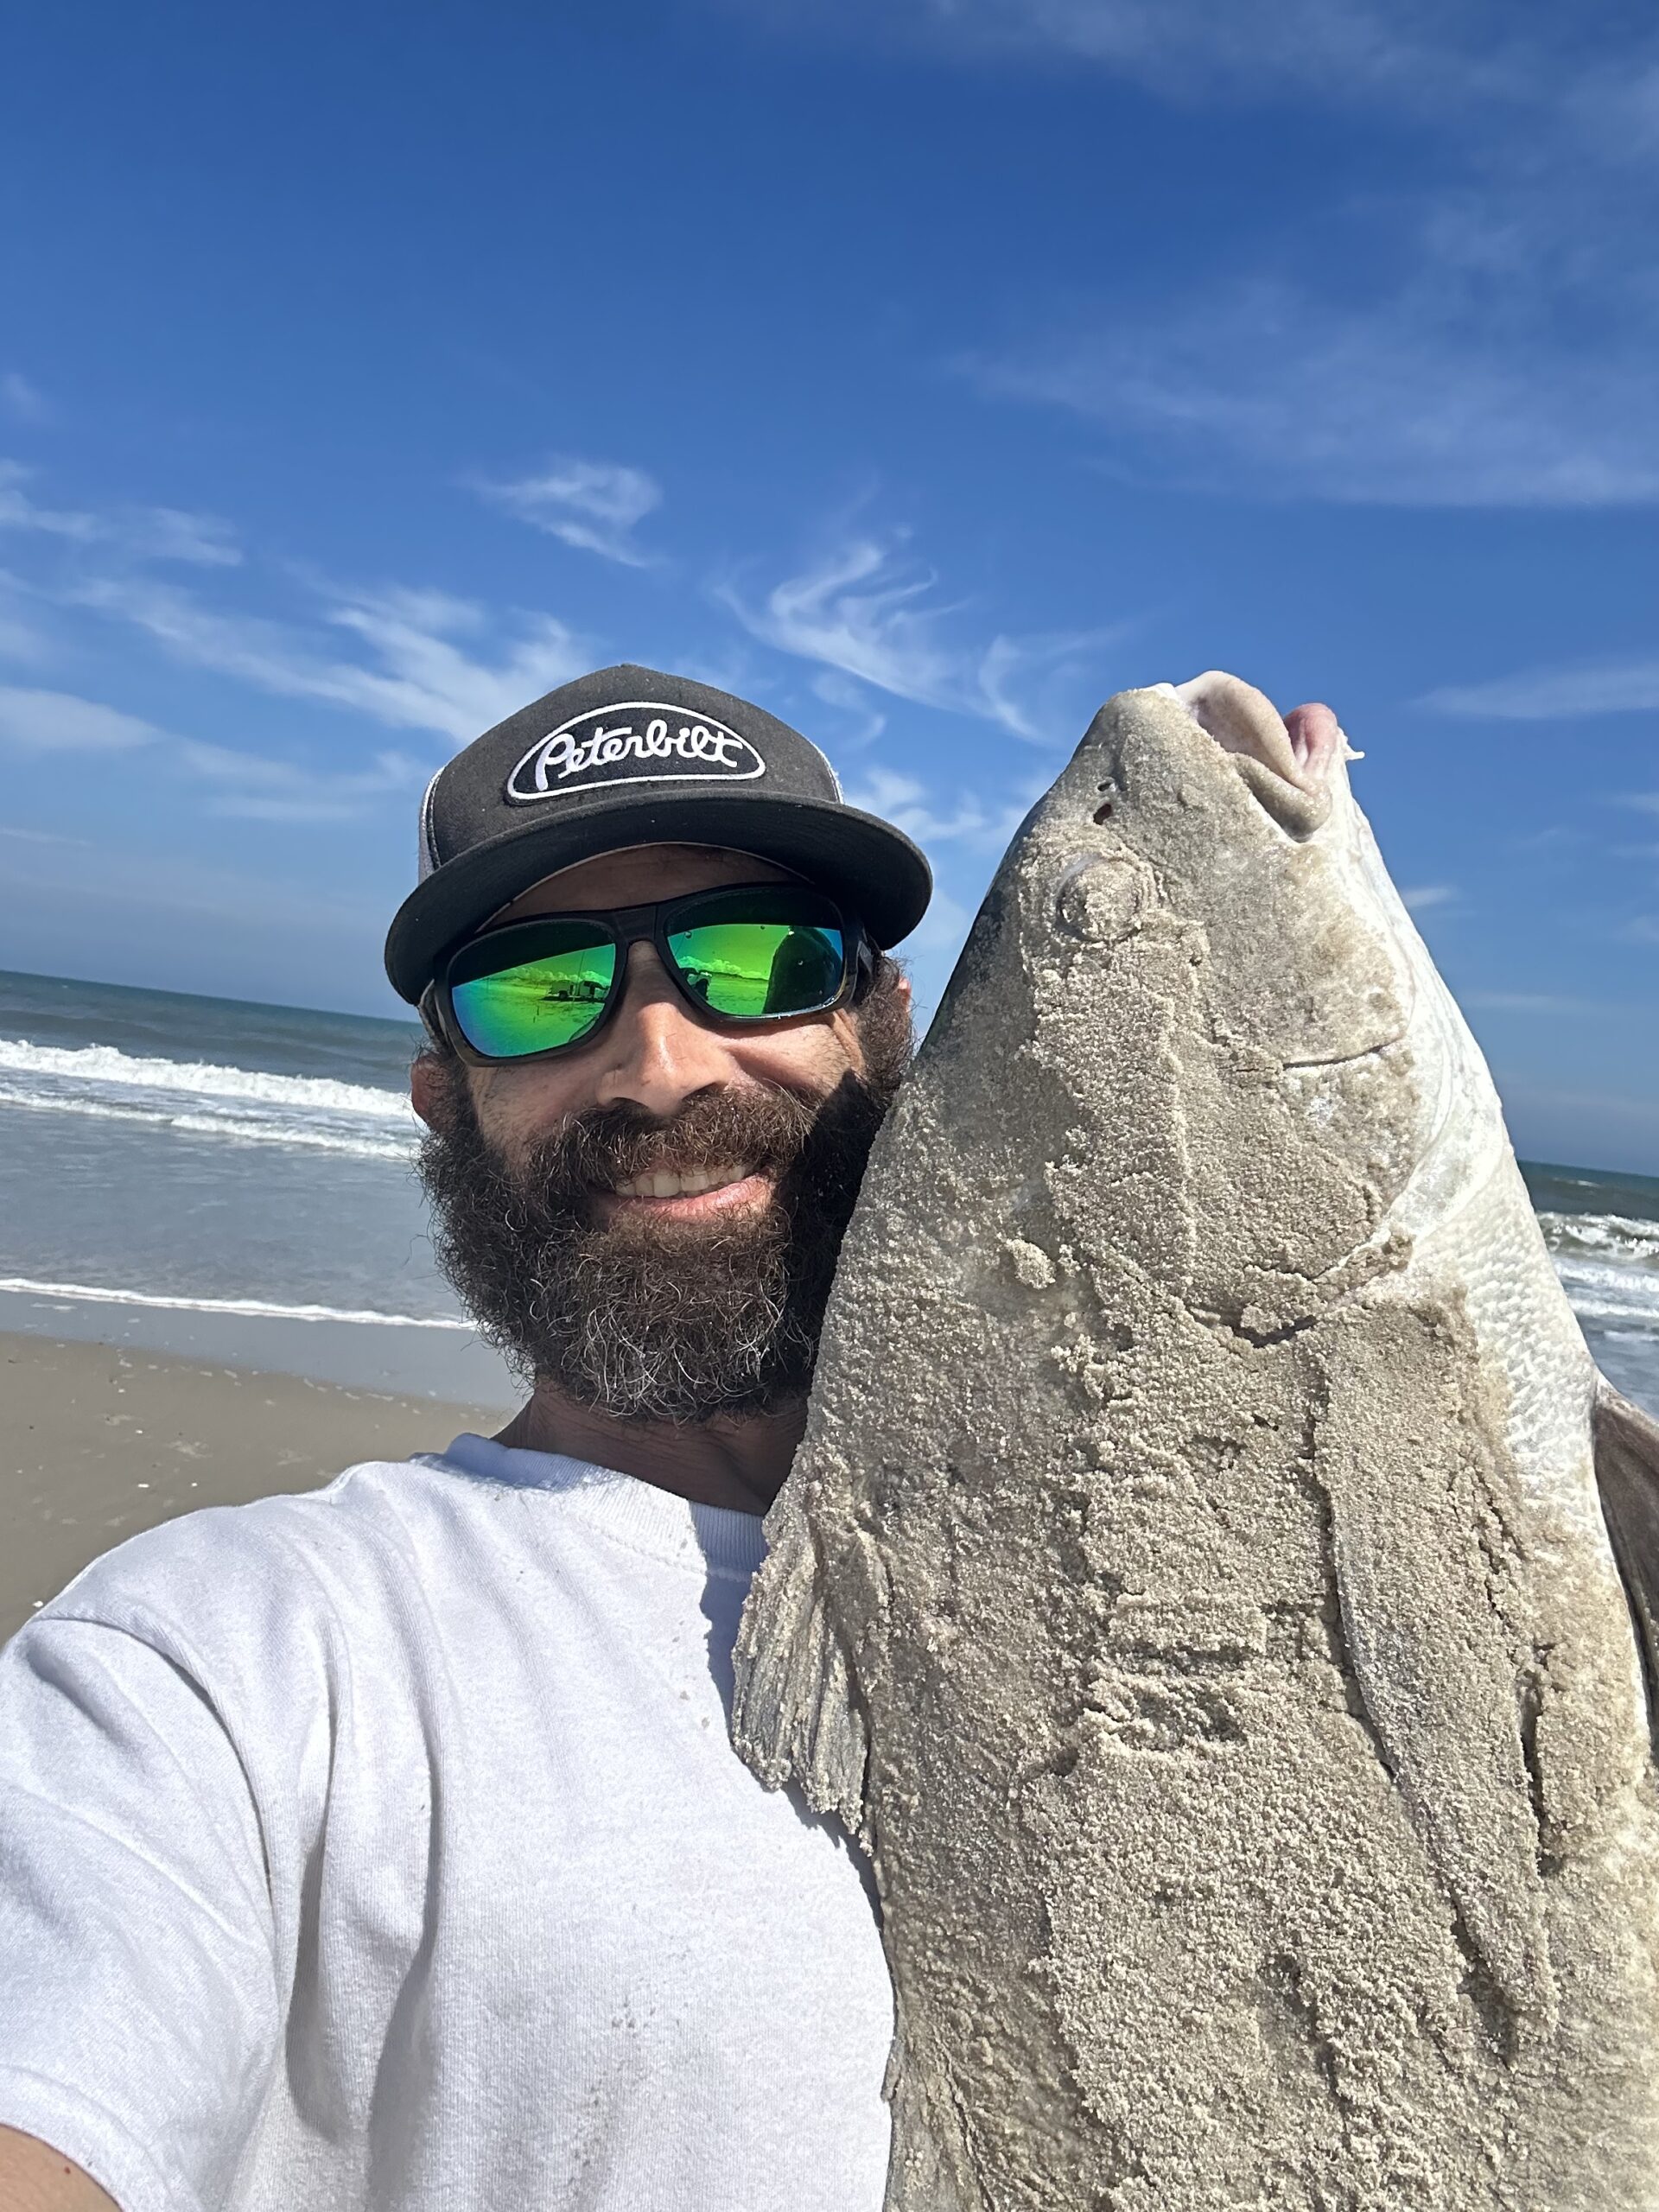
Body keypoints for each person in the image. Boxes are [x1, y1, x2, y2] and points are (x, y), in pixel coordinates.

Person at [0, 665, 933, 2212]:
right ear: (445, 1099)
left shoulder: (1118, 1589)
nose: (662, 1064)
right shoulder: (230, 1660)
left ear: (883, 1023)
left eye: (758, 957)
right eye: (540, 987)